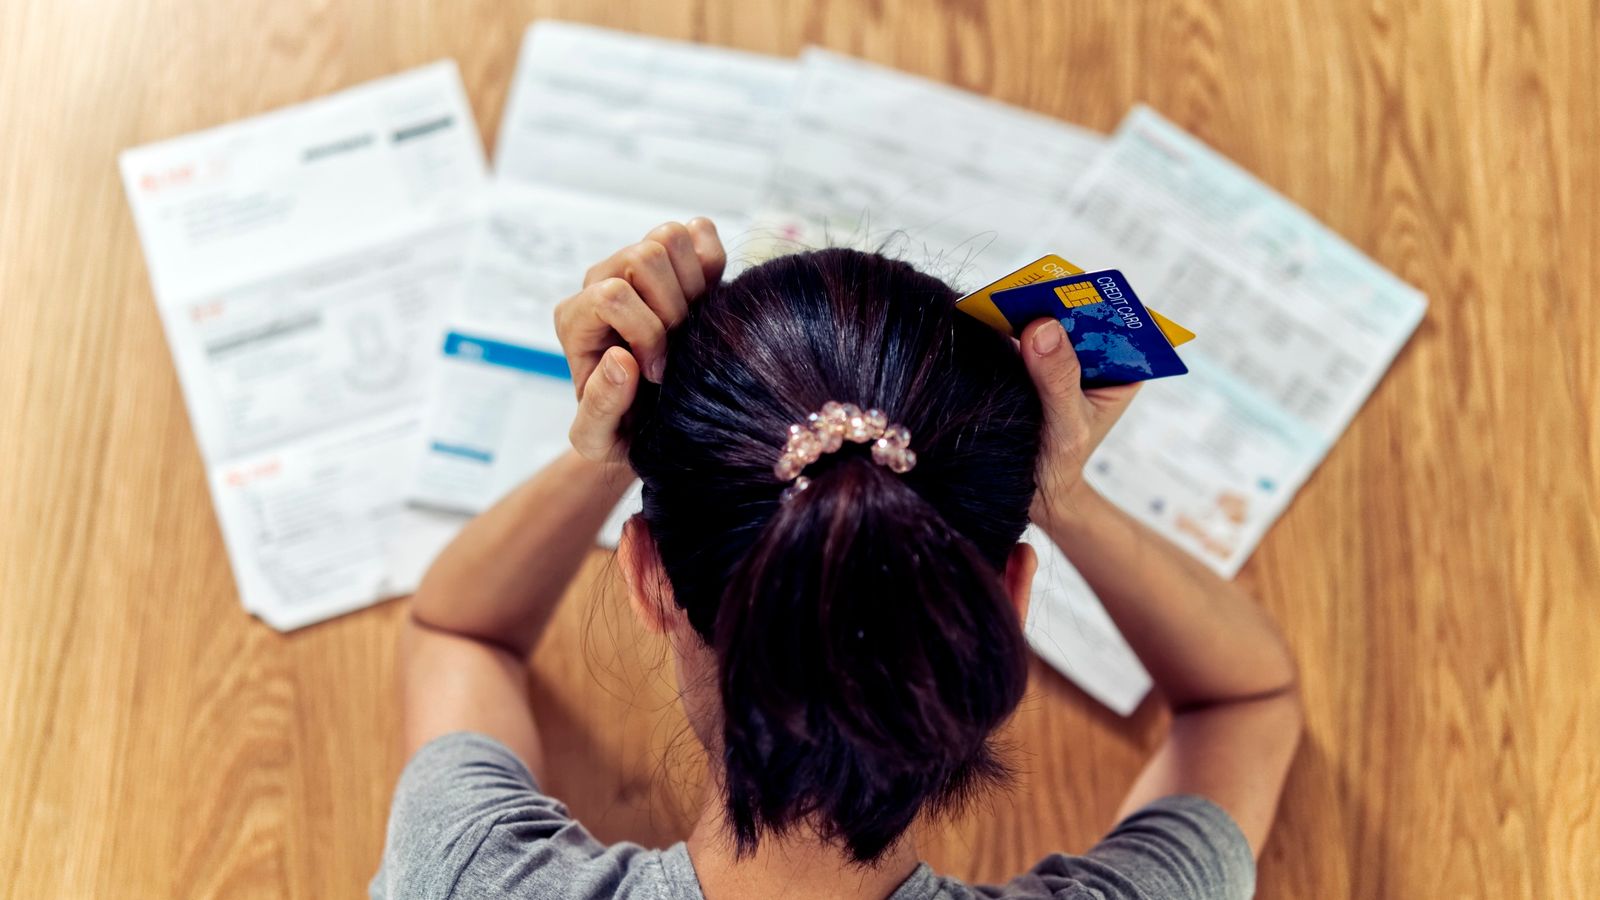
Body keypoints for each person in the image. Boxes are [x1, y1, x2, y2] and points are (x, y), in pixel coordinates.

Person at [374, 219, 1302, 900]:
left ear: (645, 575)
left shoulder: (469, 879)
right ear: (1008, 598)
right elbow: (1246, 700)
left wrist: (606, 440)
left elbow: (459, 627)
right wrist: (1061, 494)